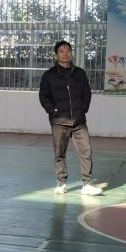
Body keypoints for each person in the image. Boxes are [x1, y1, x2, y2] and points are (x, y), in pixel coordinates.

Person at [39, 40, 102, 196]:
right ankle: (61, 183)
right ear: (56, 55)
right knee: (59, 153)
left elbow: (87, 93)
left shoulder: (80, 73)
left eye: (68, 50)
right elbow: (43, 96)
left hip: (79, 121)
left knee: (86, 150)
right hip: (59, 121)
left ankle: (87, 184)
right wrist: (53, 110)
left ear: (71, 53)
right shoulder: (49, 75)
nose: (65, 53)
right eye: (61, 51)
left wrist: (83, 108)